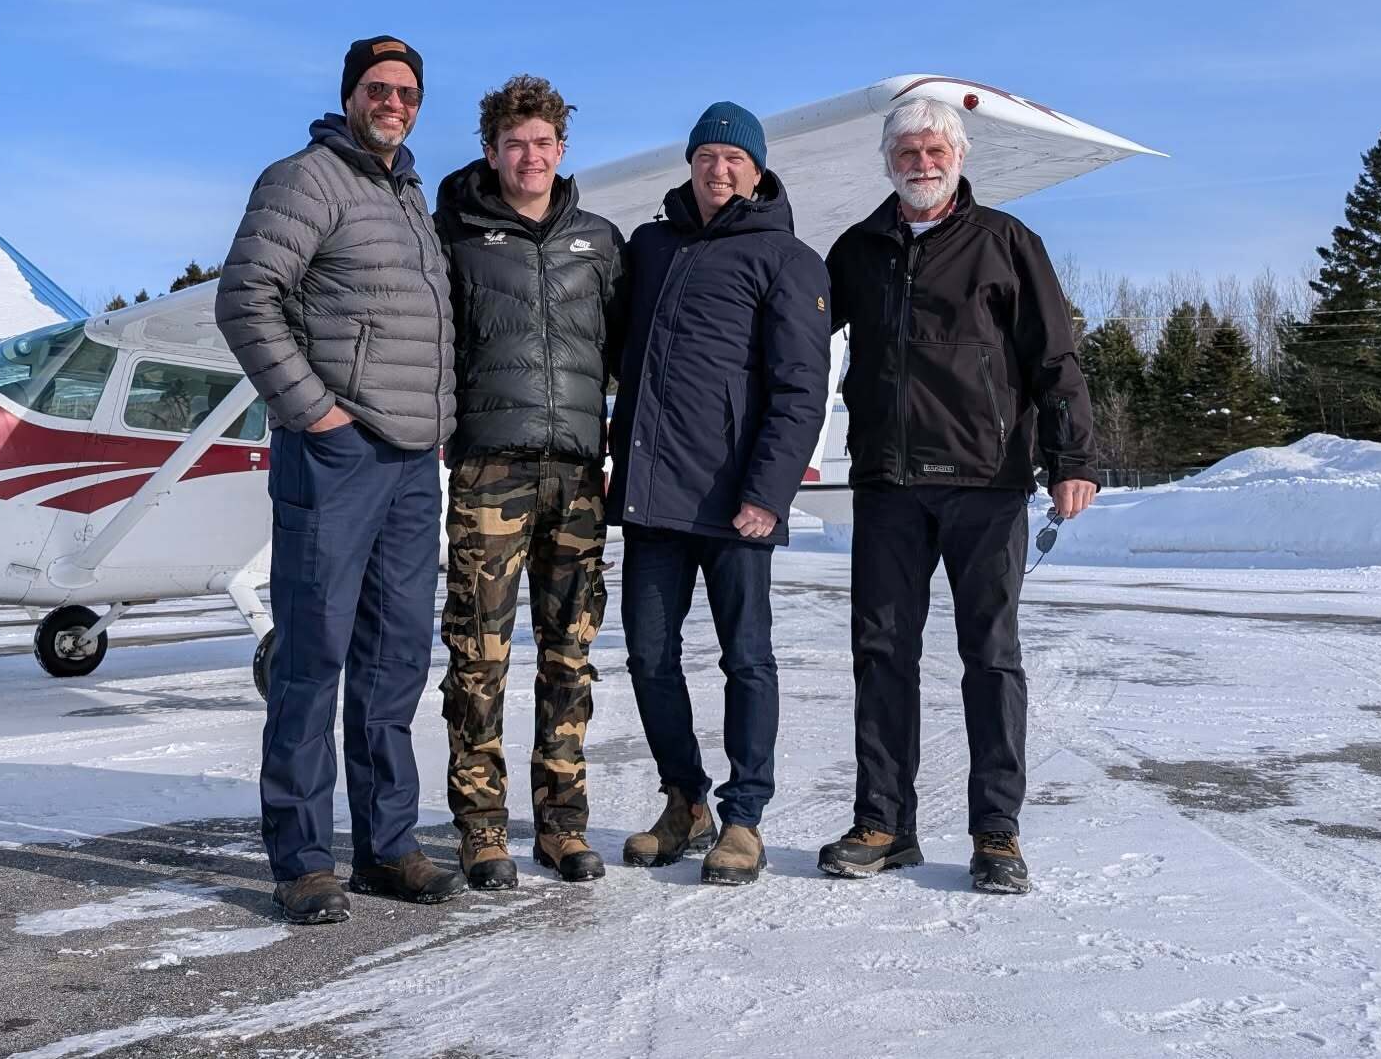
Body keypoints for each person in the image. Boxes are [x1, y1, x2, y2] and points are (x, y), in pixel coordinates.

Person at [816, 96, 1097, 894]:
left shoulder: (1007, 243)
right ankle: (884, 823)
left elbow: (1056, 360)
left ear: (961, 156)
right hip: (888, 486)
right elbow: (796, 341)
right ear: (887, 161)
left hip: (986, 484)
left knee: (992, 658)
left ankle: (996, 834)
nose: (922, 162)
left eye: (935, 149)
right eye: (907, 150)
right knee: (881, 655)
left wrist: (1072, 456)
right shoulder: (858, 250)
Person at [215, 36, 462, 924]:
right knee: (313, 660)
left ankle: (388, 847)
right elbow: (245, 295)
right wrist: (313, 412)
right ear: (350, 95)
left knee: (395, 660)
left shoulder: (408, 198)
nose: (392, 102)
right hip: (337, 456)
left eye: (406, 92)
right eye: (377, 88)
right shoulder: (306, 178)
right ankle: (303, 859)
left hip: (409, 463)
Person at [608, 101, 832, 887]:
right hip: (653, 501)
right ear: (691, 165)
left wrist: (768, 492)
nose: (719, 168)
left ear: (759, 169)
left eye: (734, 158)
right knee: (646, 655)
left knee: (746, 660)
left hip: (738, 503)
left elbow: (801, 388)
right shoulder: (651, 247)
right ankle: (684, 801)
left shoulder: (787, 258)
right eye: (707, 155)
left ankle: (744, 818)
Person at [435, 74, 624, 890]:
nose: (530, 156)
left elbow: (625, 353)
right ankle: (481, 829)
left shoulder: (600, 242)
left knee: (569, 657)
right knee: (479, 655)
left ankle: (561, 825)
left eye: (543, 143)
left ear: (561, 149)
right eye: (515, 143)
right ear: (491, 150)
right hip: (490, 471)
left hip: (579, 475)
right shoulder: (459, 238)